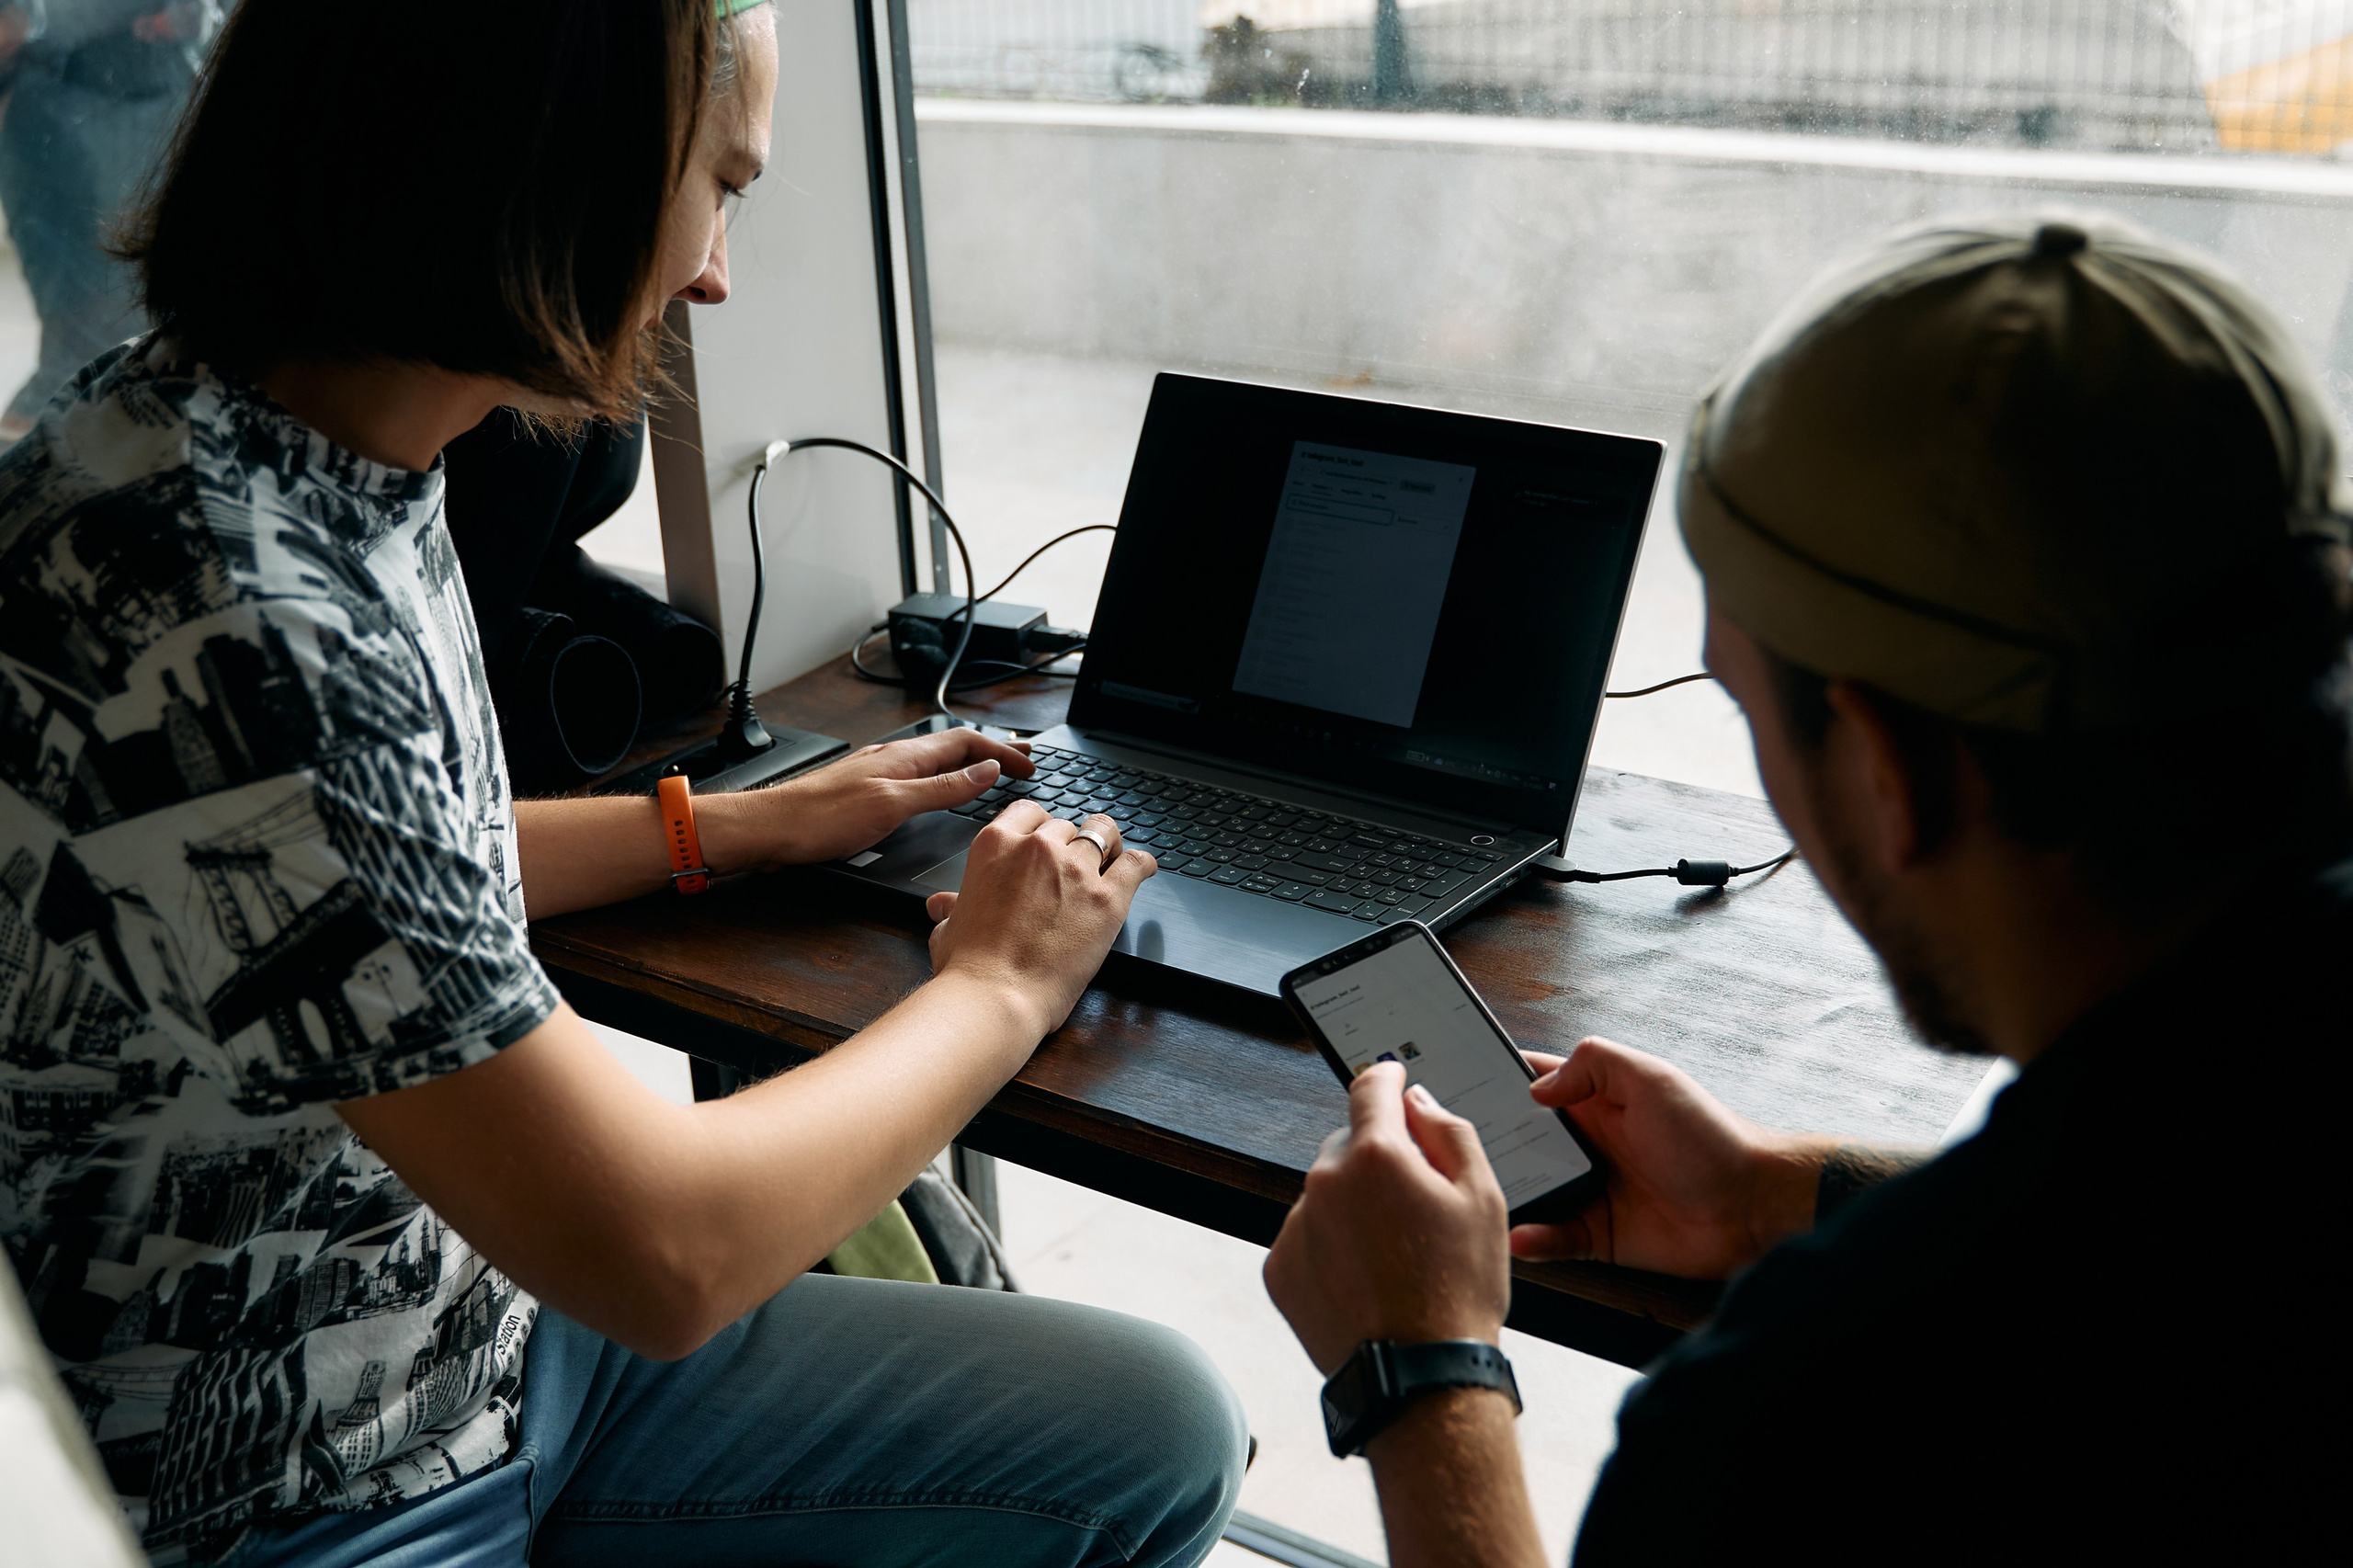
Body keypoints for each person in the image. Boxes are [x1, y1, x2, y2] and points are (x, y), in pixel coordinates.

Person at [0, 3, 1245, 1564]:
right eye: (723, 187)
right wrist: (1004, 981)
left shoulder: (240, 432)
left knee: (1154, 1426)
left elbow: (349, 888)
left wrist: (725, 826)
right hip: (315, 1497)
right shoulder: (232, 615)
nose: (714, 272)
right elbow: (665, 1250)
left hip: (499, 1338)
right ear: (565, 171)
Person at [1262, 213, 2351, 1563]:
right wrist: (1771, 1194)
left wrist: (1417, 1375)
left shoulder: (1819, 1420)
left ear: (1889, 765)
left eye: (1744, 703)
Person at [0, 1, 216, 445]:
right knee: (82, 330)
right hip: (59, 127)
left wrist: (200, 17)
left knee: (138, 320)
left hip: (156, 116)